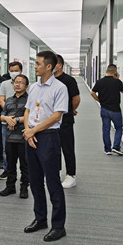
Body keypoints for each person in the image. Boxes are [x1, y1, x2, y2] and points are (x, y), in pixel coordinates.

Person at [22, 51, 68, 242]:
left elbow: (56, 116)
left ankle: (58, 226)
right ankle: (40, 218)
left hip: (48, 137)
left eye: (38, 64)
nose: (35, 67)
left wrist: (33, 131)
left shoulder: (60, 88)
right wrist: (28, 131)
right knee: (34, 181)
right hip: (31, 136)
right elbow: (27, 110)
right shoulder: (33, 87)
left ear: (49, 66)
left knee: (52, 182)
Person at [0, 74, 29, 198]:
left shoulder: (30, 100)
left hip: (24, 137)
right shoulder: (8, 100)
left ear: (26, 86)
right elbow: (2, 116)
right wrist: (7, 119)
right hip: (10, 136)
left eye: (21, 82)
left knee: (24, 165)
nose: (17, 84)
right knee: (10, 165)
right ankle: (10, 186)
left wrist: (16, 120)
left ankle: (24, 187)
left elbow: (30, 116)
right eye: (16, 82)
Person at [54, 55, 81, 188]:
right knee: (54, 148)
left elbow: (76, 99)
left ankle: (71, 175)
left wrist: (70, 110)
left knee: (67, 148)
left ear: (59, 65)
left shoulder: (69, 80)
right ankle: (56, 171)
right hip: (50, 121)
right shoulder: (49, 80)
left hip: (65, 120)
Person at [90, 64, 123, 156]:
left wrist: (99, 100)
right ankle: (116, 147)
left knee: (106, 129)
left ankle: (107, 149)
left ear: (106, 71)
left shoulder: (100, 82)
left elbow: (92, 92)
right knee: (119, 128)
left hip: (104, 109)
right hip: (115, 110)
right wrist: (118, 79)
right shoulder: (117, 82)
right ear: (115, 72)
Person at [0, 61, 23, 180]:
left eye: (16, 70)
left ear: (21, 71)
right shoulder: (4, 84)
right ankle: (7, 170)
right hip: (6, 119)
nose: (14, 73)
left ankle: (25, 174)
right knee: (6, 148)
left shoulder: (26, 84)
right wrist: (9, 117)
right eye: (11, 71)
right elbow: (1, 101)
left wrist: (15, 118)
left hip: (22, 121)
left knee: (23, 149)